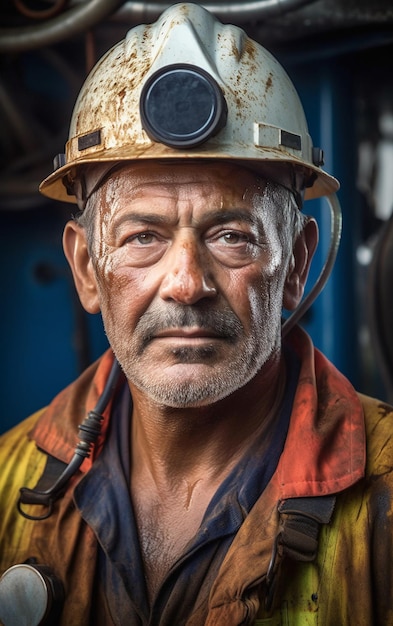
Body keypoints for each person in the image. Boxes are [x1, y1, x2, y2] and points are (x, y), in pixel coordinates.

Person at [0, 3, 392, 625]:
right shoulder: (6, 483)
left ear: (295, 264)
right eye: (142, 237)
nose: (185, 284)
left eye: (231, 235)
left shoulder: (384, 498)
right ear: (84, 268)